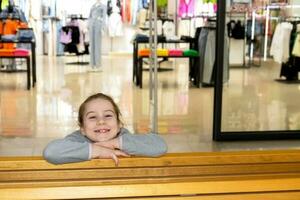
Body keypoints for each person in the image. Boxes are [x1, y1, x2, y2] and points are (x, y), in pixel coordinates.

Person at [43, 93, 168, 165]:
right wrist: (99, 151)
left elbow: (159, 145)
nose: (101, 121)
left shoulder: (125, 138)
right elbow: (51, 152)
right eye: (92, 117)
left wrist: (113, 144)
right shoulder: (77, 140)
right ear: (82, 128)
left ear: (119, 124)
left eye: (108, 115)